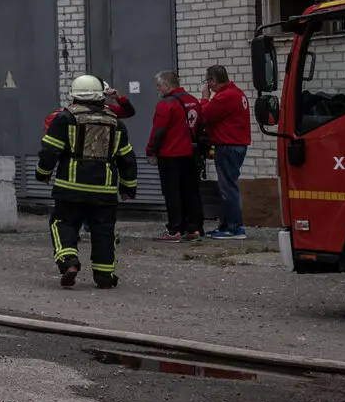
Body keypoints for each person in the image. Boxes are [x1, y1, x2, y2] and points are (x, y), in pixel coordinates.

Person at [37, 74, 139, 288]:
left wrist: (42, 174)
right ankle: (104, 273)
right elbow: (127, 158)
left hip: (70, 187)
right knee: (103, 229)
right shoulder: (115, 122)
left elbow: (50, 150)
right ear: (101, 96)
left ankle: (69, 263)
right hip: (104, 188)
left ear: (74, 95)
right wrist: (128, 187)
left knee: (63, 223)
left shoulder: (65, 118)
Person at [147, 70, 205, 242]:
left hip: (170, 153)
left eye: (159, 86)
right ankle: (194, 227)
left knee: (172, 192)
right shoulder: (193, 101)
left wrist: (151, 150)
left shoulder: (166, 104)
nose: (158, 90)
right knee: (191, 191)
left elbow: (158, 129)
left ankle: (175, 229)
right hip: (190, 153)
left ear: (166, 85)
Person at [201, 64, 252, 240]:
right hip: (237, 145)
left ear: (213, 81)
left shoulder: (224, 97)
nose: (207, 84)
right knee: (228, 186)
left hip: (228, 145)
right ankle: (226, 225)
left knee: (228, 188)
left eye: (208, 80)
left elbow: (205, 114)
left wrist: (205, 98)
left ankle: (234, 228)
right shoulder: (237, 93)